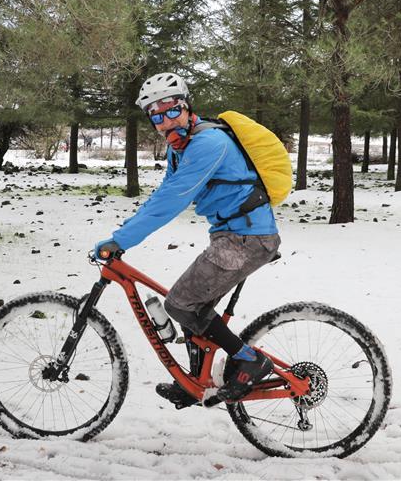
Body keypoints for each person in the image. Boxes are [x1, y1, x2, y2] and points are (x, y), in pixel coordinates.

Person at [93, 72, 281, 405]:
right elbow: (163, 194)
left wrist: (122, 240)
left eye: (170, 109)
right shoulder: (179, 149)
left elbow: (174, 199)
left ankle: (250, 360)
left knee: (181, 303)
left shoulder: (209, 143)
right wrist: (123, 231)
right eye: (156, 115)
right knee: (193, 309)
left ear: (186, 105)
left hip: (247, 238)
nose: (165, 120)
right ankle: (197, 382)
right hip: (230, 235)